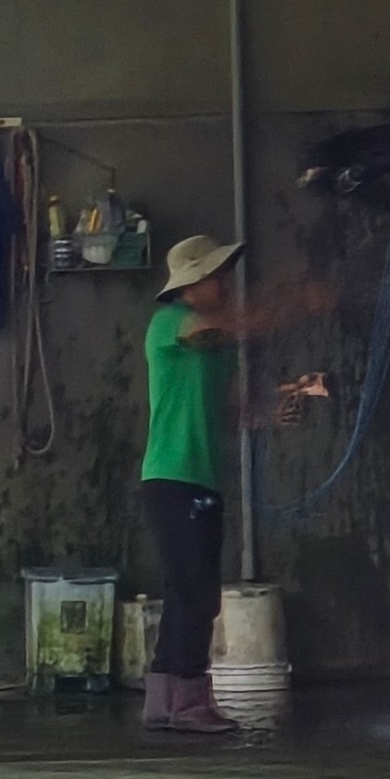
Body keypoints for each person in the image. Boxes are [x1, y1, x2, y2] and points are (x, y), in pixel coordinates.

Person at [140, 233, 326, 734]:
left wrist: (276, 406)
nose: (223, 283)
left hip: (198, 478)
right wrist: (297, 302)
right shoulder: (171, 324)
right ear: (192, 283)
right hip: (172, 477)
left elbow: (229, 410)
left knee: (188, 591)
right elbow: (237, 325)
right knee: (195, 592)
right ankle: (188, 701)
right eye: (216, 276)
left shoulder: (213, 349)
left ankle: (165, 701)